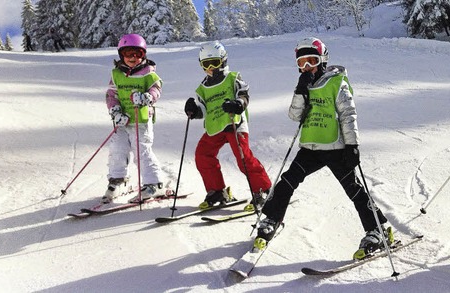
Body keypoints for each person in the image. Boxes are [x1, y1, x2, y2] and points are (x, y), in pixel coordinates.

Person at [257, 37, 393, 260]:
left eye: (312, 60)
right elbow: (294, 115)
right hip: (310, 148)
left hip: (336, 147)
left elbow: (348, 114)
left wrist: (352, 145)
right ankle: (272, 218)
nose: (307, 67)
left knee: (354, 189)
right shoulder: (304, 86)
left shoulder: (336, 82)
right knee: (287, 182)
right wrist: (301, 92)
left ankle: (378, 229)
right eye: (302, 63)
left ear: (322, 59)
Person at [184, 41, 271, 211]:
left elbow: (243, 94)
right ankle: (216, 191)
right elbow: (203, 109)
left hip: (234, 123)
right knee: (203, 154)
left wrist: (238, 103)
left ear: (223, 61)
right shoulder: (202, 88)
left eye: (214, 63)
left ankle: (262, 190)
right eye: (206, 65)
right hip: (215, 126)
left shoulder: (232, 78)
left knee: (243, 158)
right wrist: (193, 110)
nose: (211, 68)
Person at [103, 34, 164, 204]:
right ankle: (118, 181)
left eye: (137, 54)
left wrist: (147, 97)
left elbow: (156, 89)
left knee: (141, 150)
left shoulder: (148, 73)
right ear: (121, 54)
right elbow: (111, 95)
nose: (133, 58)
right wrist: (115, 111)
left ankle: (154, 183)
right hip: (123, 121)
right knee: (117, 148)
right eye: (129, 53)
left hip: (141, 120)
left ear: (143, 55)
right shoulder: (116, 74)